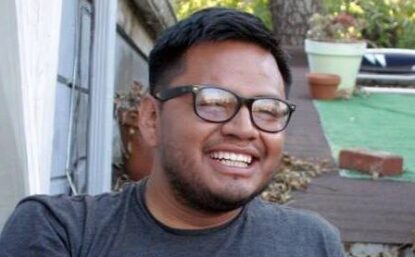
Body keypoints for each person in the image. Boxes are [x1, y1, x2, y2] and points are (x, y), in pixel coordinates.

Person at [0, 7, 344, 257]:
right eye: (213, 101)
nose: (244, 129)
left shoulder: (312, 243)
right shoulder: (61, 232)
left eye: (267, 109)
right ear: (152, 118)